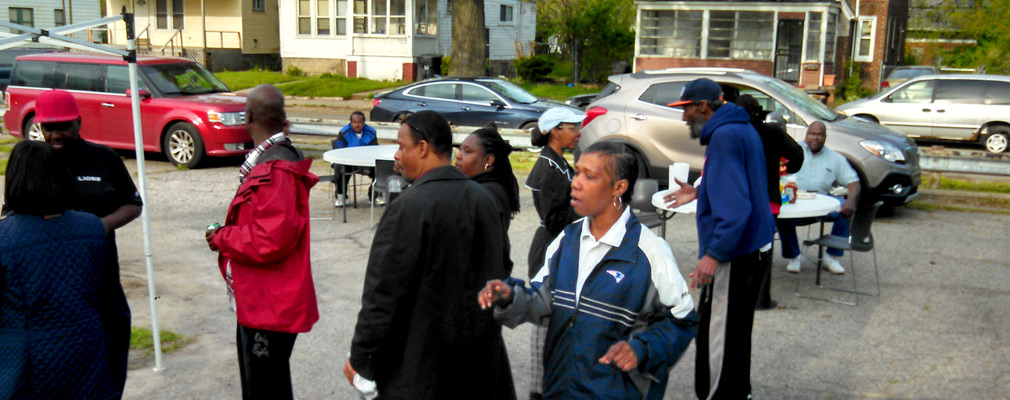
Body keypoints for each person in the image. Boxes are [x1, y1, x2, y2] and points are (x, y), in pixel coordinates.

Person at [478, 142, 698, 399]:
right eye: (577, 172)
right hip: (560, 390)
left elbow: (681, 321)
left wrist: (641, 349)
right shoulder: (566, 240)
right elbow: (544, 302)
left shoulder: (650, 252)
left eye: (589, 176)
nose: (575, 183)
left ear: (619, 187)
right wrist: (511, 296)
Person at [344, 110, 515, 400]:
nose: (397, 155)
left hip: (422, 369)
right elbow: (502, 269)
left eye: (401, 146)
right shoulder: (486, 200)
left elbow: (383, 294)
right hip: (479, 366)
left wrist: (361, 359)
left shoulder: (408, 207)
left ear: (422, 148)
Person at [205, 84, 319, 400]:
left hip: (270, 303)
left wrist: (221, 237)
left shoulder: (276, 167)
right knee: (268, 385)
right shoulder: (273, 161)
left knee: (264, 389)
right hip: (264, 298)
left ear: (249, 116)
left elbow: (269, 240)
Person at [666, 78, 776, 400]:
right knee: (737, 332)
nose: (684, 117)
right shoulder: (742, 128)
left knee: (718, 336)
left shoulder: (725, 136)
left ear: (702, 106)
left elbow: (736, 209)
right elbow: (741, 184)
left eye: (685, 109)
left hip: (736, 254)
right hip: (755, 247)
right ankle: (740, 392)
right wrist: (699, 191)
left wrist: (713, 255)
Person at [34, 89, 143, 396]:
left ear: (79, 123)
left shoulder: (104, 158)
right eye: (49, 127)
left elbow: (133, 205)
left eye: (64, 126)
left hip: (100, 276)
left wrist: (100, 226)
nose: (57, 134)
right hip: (51, 282)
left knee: (111, 347)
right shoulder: (34, 163)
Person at [0, 140, 119, 399]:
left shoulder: (5, 238)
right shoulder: (91, 228)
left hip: (24, 367)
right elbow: (112, 305)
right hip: (88, 359)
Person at [524, 106, 584, 400]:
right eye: (573, 127)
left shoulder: (559, 161)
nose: (578, 132)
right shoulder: (547, 167)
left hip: (559, 245)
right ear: (555, 131)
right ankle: (541, 389)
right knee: (547, 322)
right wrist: (586, 206)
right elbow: (554, 218)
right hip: (549, 249)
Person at [736, 94, 805, 310]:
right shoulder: (772, 132)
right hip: (768, 201)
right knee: (764, 250)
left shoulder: (733, 134)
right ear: (758, 112)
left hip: (741, 201)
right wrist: (788, 169)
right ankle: (761, 299)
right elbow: (797, 154)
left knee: (741, 247)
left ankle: (738, 295)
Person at [778, 121, 861, 275]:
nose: (815, 138)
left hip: (822, 204)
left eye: (819, 135)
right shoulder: (792, 151)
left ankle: (831, 257)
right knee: (781, 216)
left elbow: (853, 181)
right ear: (806, 135)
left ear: (825, 137)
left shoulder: (835, 158)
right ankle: (794, 256)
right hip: (794, 201)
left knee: (845, 209)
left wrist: (851, 200)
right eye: (812, 134)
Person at [455, 123, 521, 275]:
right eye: (460, 149)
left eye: (467, 151)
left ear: (489, 160)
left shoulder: (484, 193)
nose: (459, 155)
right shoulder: (487, 186)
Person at [331, 110, 379, 207]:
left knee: (381, 169)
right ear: (351, 122)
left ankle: (373, 196)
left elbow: (375, 149)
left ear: (364, 122)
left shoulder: (371, 132)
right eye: (354, 122)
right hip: (349, 162)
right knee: (340, 168)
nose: (357, 125)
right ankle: (341, 196)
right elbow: (339, 151)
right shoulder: (344, 133)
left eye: (359, 122)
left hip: (366, 162)